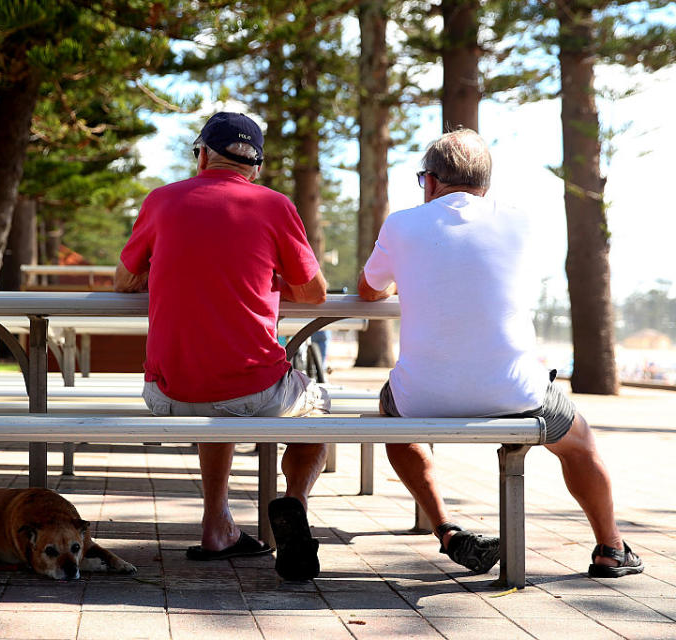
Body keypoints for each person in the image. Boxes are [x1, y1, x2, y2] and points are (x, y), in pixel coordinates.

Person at [357, 128, 644, 578]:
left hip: (422, 396)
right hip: (517, 394)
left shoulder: (401, 224)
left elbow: (368, 292)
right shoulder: (520, 220)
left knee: (394, 421)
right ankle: (611, 548)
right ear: (485, 184)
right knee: (580, 443)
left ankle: (446, 529)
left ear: (430, 181)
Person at [115, 112, 330, 581]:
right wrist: (267, 281)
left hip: (168, 394)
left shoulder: (160, 201)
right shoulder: (274, 205)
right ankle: (293, 504)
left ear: (202, 155)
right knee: (319, 408)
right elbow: (315, 293)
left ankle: (217, 527)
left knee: (215, 395)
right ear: (254, 167)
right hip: (254, 388)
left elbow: (125, 280)